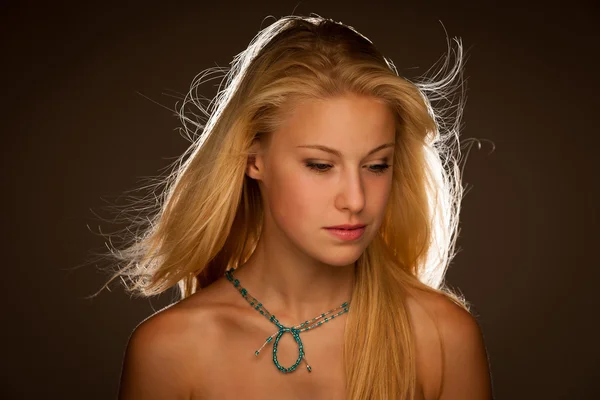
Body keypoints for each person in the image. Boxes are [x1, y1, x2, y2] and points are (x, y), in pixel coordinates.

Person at [101, 13, 493, 400]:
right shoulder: (171, 350)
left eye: (376, 166)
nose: (355, 200)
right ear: (253, 159)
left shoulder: (442, 338)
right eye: (320, 166)